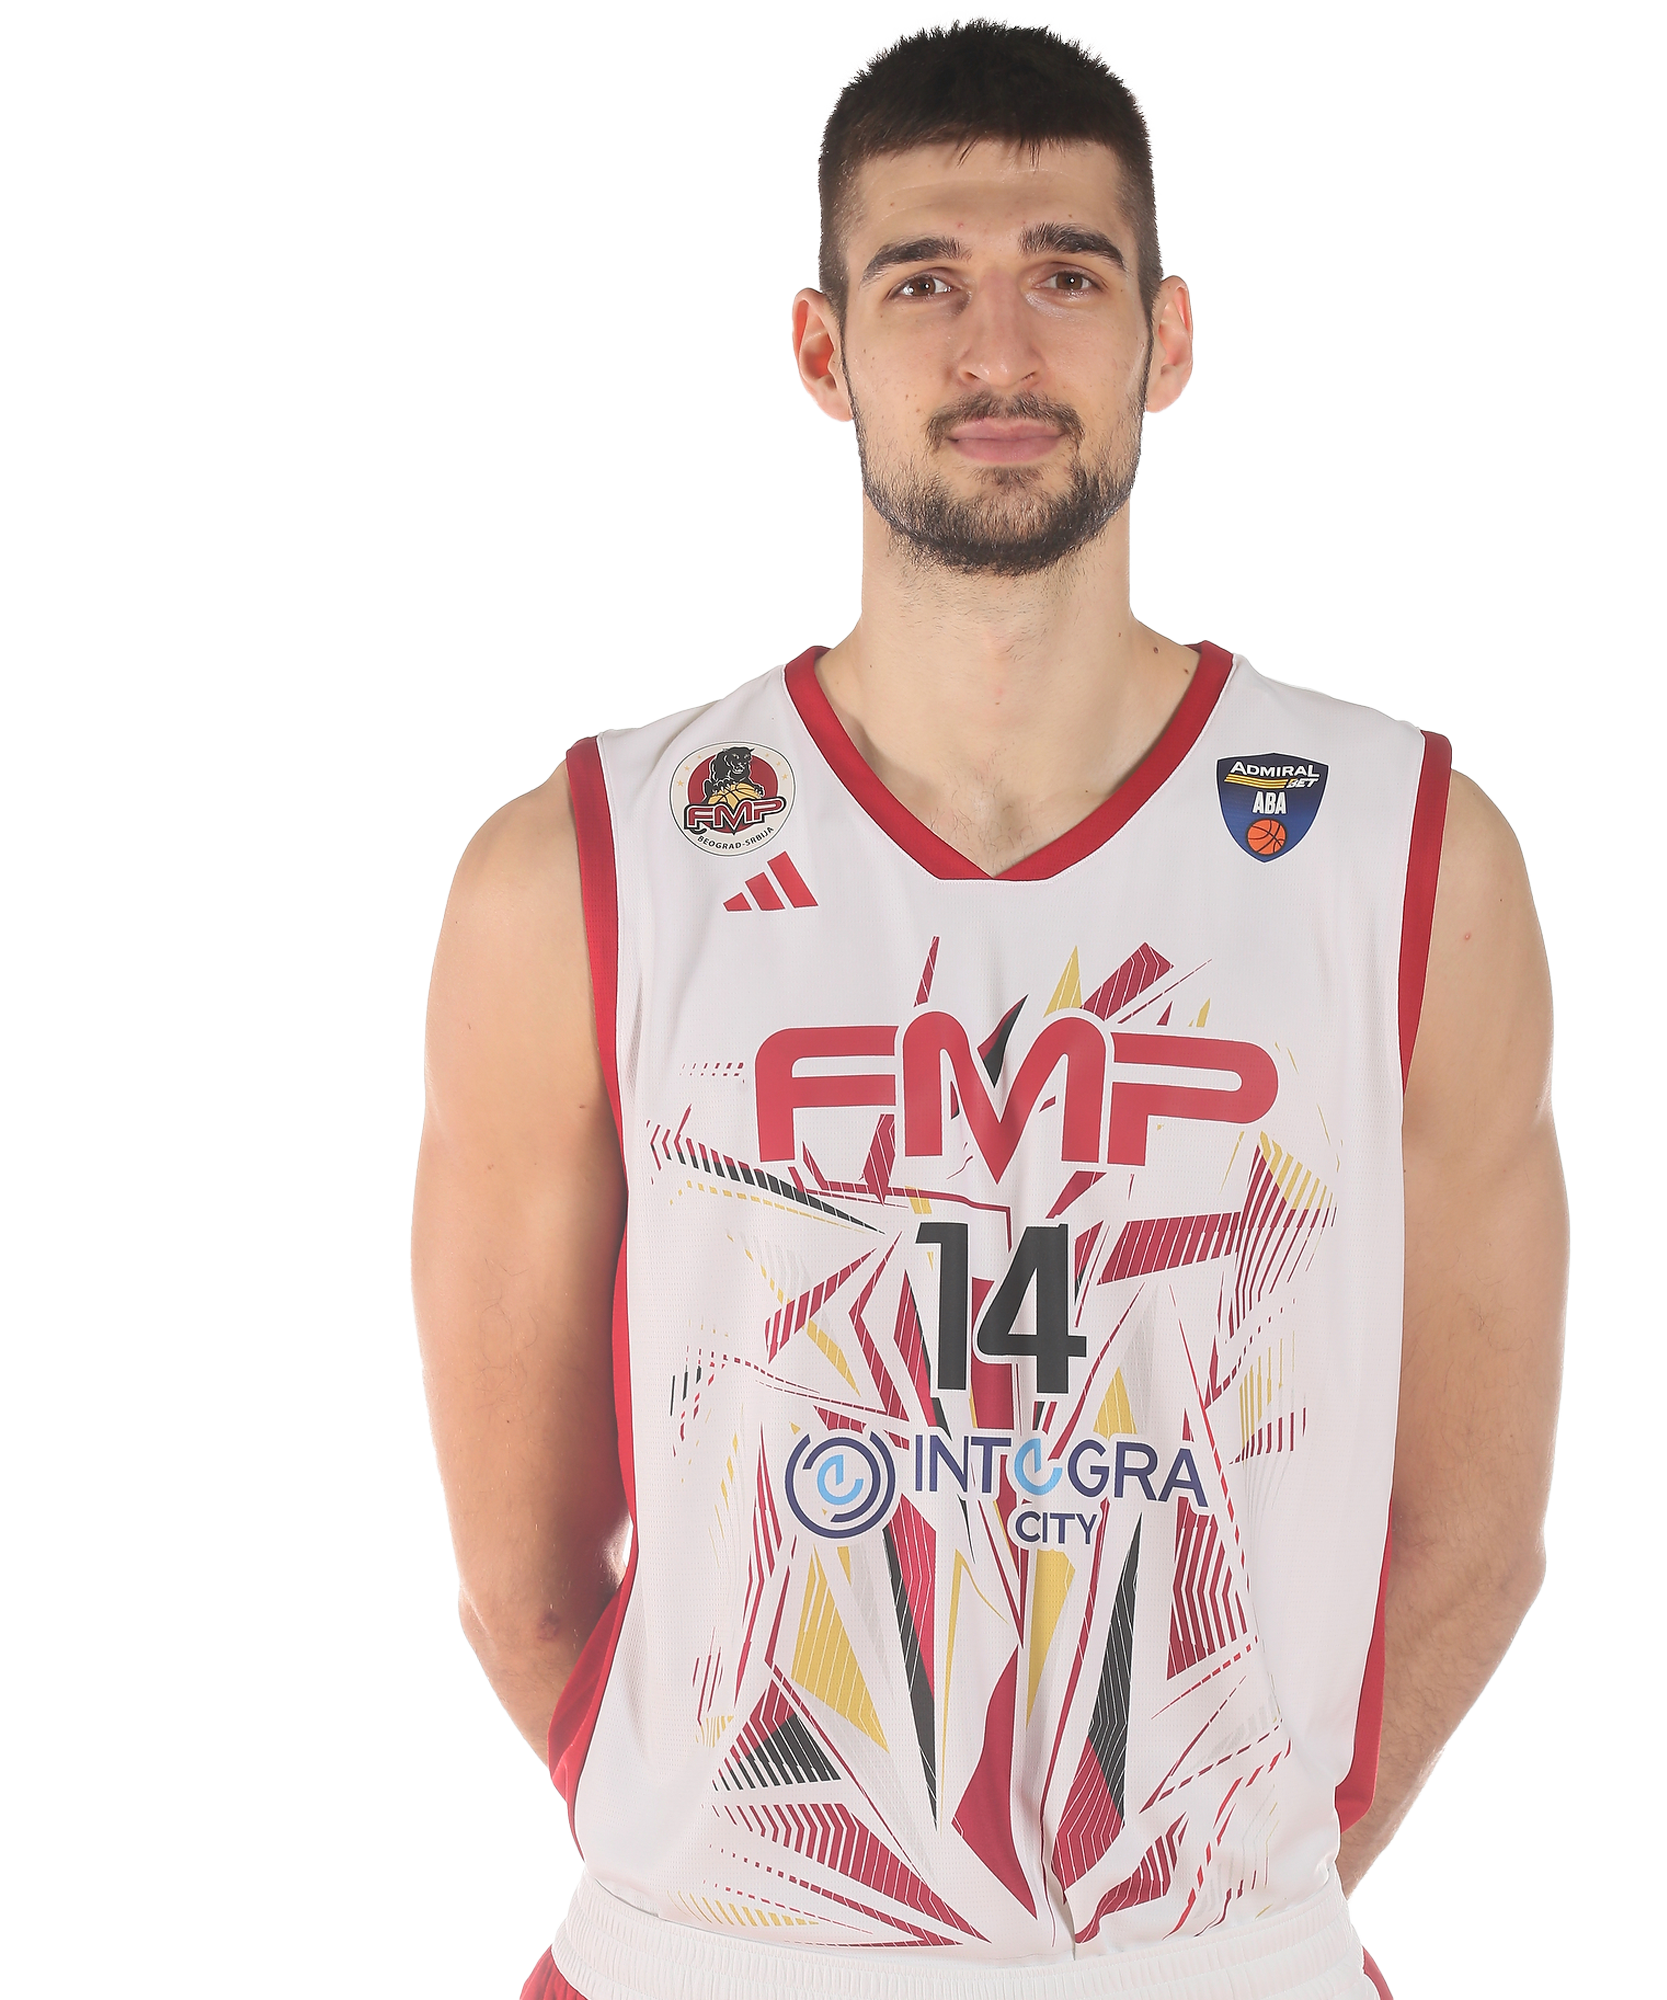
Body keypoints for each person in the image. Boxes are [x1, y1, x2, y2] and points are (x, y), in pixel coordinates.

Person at [413, 20, 1565, 2000]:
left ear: (1166, 339)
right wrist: (750, 1896)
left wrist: (1212, 1911)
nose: (998, 350)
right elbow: (520, 1583)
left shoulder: (1404, 855)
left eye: (1068, 275)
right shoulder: (585, 867)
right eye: (923, 283)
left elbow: (1473, 1527)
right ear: (823, 350)